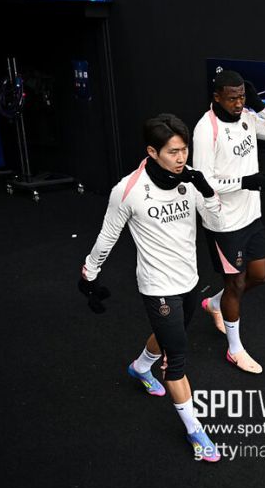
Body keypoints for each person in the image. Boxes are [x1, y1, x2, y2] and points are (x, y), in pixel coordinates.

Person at [79, 114, 222, 462]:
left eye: (184, 150)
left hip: (189, 280)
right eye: (173, 151)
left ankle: (140, 367)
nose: (181, 158)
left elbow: (215, 220)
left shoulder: (189, 179)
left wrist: (206, 190)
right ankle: (195, 431)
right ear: (152, 152)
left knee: (170, 334)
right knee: (177, 360)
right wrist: (89, 274)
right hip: (157, 286)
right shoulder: (128, 190)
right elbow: (108, 235)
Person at [192, 70, 265, 374]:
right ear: (217, 97)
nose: (238, 103)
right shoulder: (205, 129)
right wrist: (246, 181)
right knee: (235, 283)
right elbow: (203, 181)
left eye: (242, 97)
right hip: (223, 222)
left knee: (260, 275)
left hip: (251, 215)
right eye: (232, 98)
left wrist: (259, 105)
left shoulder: (247, 116)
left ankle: (215, 303)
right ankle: (234, 350)